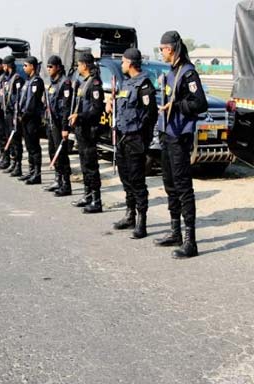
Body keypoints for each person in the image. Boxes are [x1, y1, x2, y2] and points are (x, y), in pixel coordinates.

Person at [154, 31, 209, 259]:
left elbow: (200, 103)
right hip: (167, 135)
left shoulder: (188, 73)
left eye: (162, 49)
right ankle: (175, 231)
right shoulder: (171, 72)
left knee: (183, 187)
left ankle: (190, 241)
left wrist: (176, 105)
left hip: (180, 137)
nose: (161, 53)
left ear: (172, 48)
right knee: (169, 184)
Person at [106, 48, 158, 239]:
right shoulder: (126, 83)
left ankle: (141, 221)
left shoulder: (144, 86)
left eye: (123, 62)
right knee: (125, 177)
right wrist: (110, 103)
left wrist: (141, 139)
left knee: (137, 181)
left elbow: (150, 115)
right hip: (121, 138)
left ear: (130, 63)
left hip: (134, 139)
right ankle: (129, 214)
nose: (121, 65)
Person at [68, 53, 104, 214]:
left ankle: (96, 200)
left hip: (90, 130)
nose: (77, 67)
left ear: (85, 65)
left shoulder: (95, 84)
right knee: (84, 164)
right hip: (81, 129)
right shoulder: (82, 83)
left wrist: (80, 116)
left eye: (79, 64)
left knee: (91, 165)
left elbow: (96, 110)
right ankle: (87, 195)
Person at [45, 55, 73, 196]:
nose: (48, 69)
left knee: (61, 154)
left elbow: (65, 108)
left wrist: (64, 128)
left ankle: (66, 184)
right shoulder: (53, 82)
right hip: (51, 122)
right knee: (52, 151)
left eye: (51, 66)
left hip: (59, 124)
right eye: (47, 66)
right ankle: (58, 179)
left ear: (58, 67)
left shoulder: (65, 83)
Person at [18, 56, 45, 185]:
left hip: (32, 118)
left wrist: (25, 115)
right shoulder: (28, 81)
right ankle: (31, 171)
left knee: (34, 147)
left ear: (32, 66)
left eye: (25, 65)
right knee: (29, 146)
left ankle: (37, 174)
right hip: (25, 118)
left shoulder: (37, 82)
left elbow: (33, 102)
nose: (24, 68)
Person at [0, 55, 25, 175]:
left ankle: (18, 165)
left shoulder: (17, 79)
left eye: (4, 65)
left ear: (8, 65)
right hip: (7, 112)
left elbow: (18, 97)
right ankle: (13, 162)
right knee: (9, 138)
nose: (3, 67)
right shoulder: (7, 79)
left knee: (16, 140)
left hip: (14, 113)